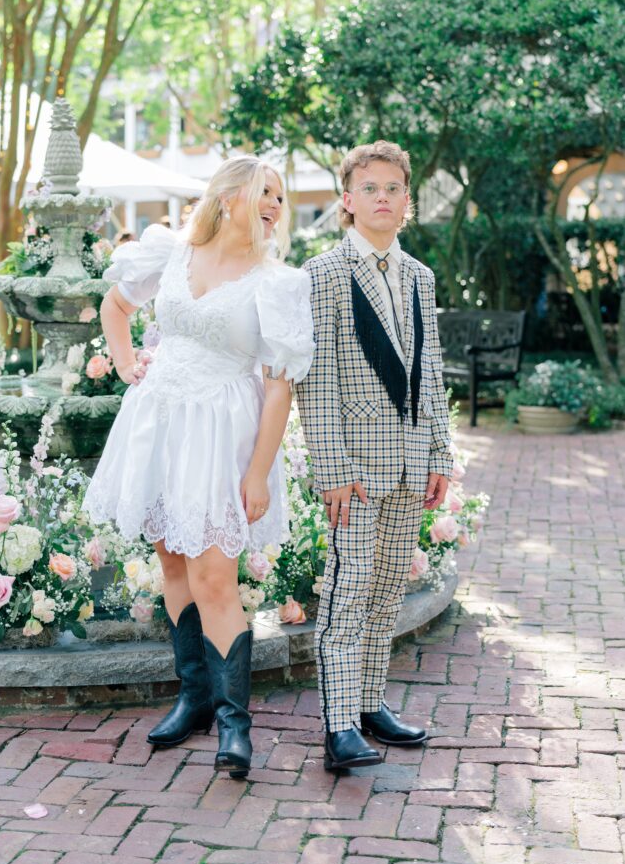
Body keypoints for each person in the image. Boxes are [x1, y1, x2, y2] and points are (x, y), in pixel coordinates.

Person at [83, 156, 314, 779]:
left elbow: (279, 387)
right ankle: (194, 697)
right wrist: (128, 362)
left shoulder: (276, 282)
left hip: (224, 435)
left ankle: (235, 724)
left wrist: (259, 473)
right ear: (227, 195)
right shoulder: (170, 252)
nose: (272, 204)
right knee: (174, 562)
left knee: (216, 574)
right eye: (263, 191)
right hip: (159, 424)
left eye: (279, 196)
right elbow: (115, 306)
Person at [296, 140, 452, 772]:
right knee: (348, 587)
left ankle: (369, 704)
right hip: (354, 472)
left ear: (407, 201)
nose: (382, 197)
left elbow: (431, 372)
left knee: (388, 587)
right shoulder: (324, 275)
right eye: (370, 188)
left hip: (411, 463)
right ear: (348, 200)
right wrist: (330, 470)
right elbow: (319, 379)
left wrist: (440, 452)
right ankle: (337, 727)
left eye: (394, 187)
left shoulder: (419, 276)